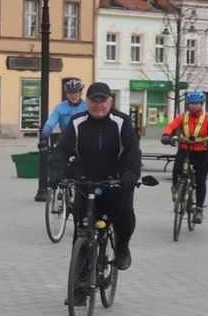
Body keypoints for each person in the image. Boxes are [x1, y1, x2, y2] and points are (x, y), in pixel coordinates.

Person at [49, 82, 141, 271]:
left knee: (124, 217)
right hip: (85, 182)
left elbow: (132, 150)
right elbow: (63, 149)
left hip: (116, 182)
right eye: (94, 100)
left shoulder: (121, 121)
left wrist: (131, 174)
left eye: (103, 100)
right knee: (81, 231)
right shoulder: (77, 122)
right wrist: (57, 171)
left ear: (110, 102)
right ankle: (80, 285)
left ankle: (122, 248)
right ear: (88, 102)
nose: (98, 105)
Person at [161, 90, 208, 224]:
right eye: (191, 104)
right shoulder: (183, 116)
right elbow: (172, 125)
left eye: (197, 104)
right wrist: (166, 135)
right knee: (177, 169)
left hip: (203, 150)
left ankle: (199, 209)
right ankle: (176, 188)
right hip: (186, 148)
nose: (194, 106)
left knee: (200, 179)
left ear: (201, 104)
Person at [38, 79, 87, 149]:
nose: (73, 95)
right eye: (70, 92)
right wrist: (44, 138)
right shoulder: (60, 107)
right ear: (66, 94)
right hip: (66, 141)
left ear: (80, 93)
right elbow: (50, 123)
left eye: (76, 92)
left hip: (85, 141)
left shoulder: (87, 106)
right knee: (57, 158)